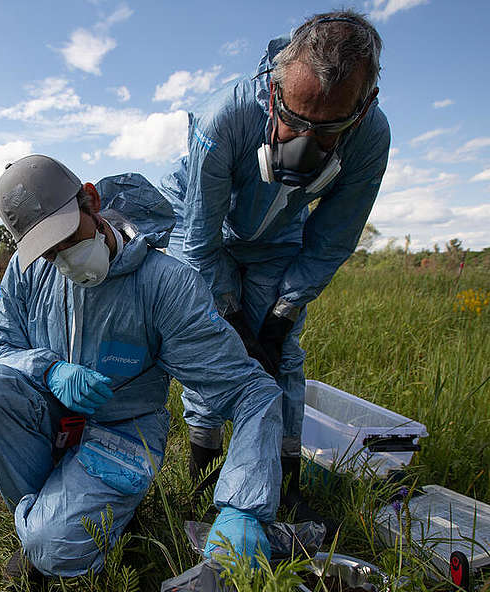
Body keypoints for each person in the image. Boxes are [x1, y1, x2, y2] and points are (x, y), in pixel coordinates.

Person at [0, 154, 283, 579]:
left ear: (89, 200)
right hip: (51, 414)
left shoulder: (163, 283)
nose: (65, 261)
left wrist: (244, 507)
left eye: (68, 238)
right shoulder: (28, 270)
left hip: (122, 430)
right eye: (49, 252)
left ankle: (56, 533)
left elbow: (247, 390)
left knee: (52, 549)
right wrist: (49, 370)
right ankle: (52, 522)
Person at [160, 10, 389, 520]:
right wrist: (232, 317)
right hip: (204, 229)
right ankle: (201, 473)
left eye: (327, 128)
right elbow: (199, 238)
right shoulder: (224, 118)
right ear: (275, 89)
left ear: (361, 105)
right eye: (295, 120)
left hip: (278, 239)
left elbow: (333, 236)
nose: (305, 141)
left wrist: (282, 314)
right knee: (213, 349)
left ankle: (286, 486)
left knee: (281, 357)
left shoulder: (371, 137)